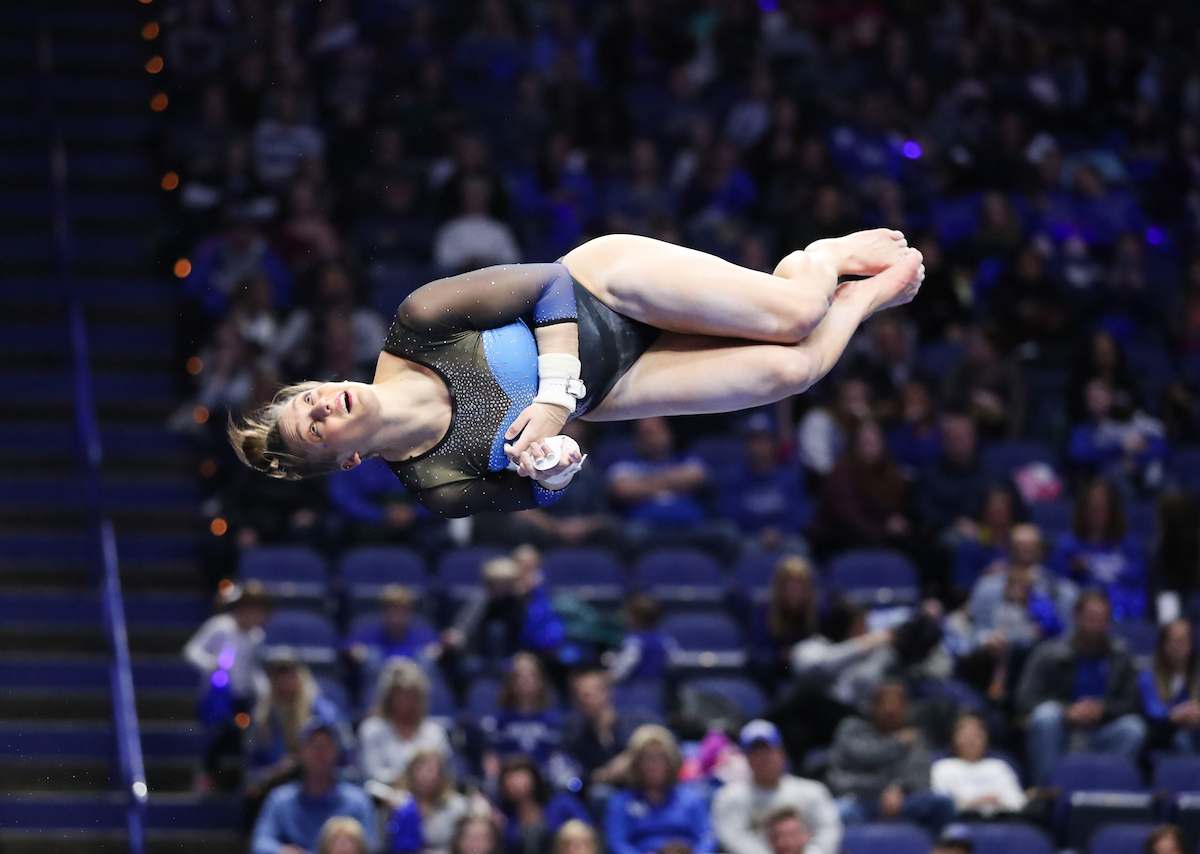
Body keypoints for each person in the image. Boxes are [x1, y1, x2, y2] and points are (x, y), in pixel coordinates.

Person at [228, 230, 925, 520]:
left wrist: (555, 402)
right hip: (613, 385)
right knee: (791, 372)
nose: (320, 403)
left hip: (605, 286)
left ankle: (824, 257)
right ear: (348, 459)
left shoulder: (420, 324)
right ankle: (864, 296)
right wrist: (553, 468)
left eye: (305, 396)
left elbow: (551, 286)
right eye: (314, 425)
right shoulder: (438, 486)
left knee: (798, 311)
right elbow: (545, 494)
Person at [1016, 590, 1147, 784]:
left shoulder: (1121, 655)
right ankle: (1047, 790)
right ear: (1075, 617)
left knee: (1133, 728)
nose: (1095, 625)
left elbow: (1133, 702)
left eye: (1101, 618)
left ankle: (1109, 787)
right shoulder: (1048, 653)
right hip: (1061, 729)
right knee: (1046, 716)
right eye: (1090, 618)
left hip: (1102, 729)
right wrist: (1066, 710)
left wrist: (1103, 709)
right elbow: (1024, 699)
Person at [826, 682, 955, 835]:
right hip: (858, 800)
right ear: (872, 706)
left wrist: (898, 787)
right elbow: (864, 757)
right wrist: (897, 743)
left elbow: (920, 776)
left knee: (941, 803)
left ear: (907, 708)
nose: (891, 709)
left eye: (897, 703)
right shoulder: (853, 729)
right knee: (837, 812)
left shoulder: (914, 736)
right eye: (884, 703)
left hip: (902, 802)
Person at [184, 581, 271, 785]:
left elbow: (254, 668)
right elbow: (191, 651)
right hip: (218, 695)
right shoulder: (220, 627)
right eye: (254, 610)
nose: (258, 617)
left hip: (243, 697)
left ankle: (241, 779)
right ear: (244, 608)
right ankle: (205, 773)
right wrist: (210, 664)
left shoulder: (257, 636)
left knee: (244, 731)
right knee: (226, 730)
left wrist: (264, 689)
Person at [711, 720, 842, 854]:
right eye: (754, 752)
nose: (762, 757)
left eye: (767, 750)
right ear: (746, 758)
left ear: (781, 752)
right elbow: (733, 839)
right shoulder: (729, 797)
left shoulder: (812, 791)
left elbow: (827, 831)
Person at [251, 719, 377, 854]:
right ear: (300, 753)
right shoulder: (280, 799)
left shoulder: (358, 801)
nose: (319, 752)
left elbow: (370, 846)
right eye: (313, 745)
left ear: (336, 753)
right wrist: (283, 851)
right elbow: (260, 845)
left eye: (326, 745)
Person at [245, 648, 347, 798]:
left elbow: (346, 756)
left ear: (301, 675)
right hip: (274, 787)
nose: (285, 680)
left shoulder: (324, 713)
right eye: (279, 675)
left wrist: (306, 762)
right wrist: (273, 772)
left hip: (322, 783)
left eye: (290, 673)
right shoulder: (262, 717)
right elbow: (251, 768)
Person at [604, 724, 716, 854]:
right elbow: (617, 843)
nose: (653, 765)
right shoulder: (621, 803)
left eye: (660, 757)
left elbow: (707, 839)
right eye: (647, 758)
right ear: (636, 763)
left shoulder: (692, 799)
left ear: (670, 761)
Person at [1049, 478, 1147, 620]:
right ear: (1084, 510)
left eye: (1102, 508)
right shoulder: (1067, 545)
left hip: (1120, 611)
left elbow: (1138, 582)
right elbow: (1057, 585)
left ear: (1112, 510)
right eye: (1092, 508)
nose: (1097, 513)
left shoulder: (1128, 545)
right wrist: (1075, 570)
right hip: (1078, 614)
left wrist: (1099, 567)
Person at [358, 658, 452, 792]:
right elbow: (372, 773)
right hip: (385, 798)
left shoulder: (435, 732)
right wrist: (412, 780)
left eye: (413, 694)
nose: (408, 701)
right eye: (402, 694)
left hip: (430, 799)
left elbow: (443, 774)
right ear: (390, 696)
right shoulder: (372, 729)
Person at [563, 669, 652, 791]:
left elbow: (664, 742)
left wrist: (632, 757)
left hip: (639, 787)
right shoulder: (575, 735)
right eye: (579, 696)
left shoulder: (638, 722)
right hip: (600, 792)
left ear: (607, 693)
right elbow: (572, 775)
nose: (583, 700)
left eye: (588, 694)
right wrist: (604, 775)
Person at [482, 653, 565, 775]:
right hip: (509, 779)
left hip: (543, 780)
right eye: (519, 677)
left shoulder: (552, 720)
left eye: (531, 676)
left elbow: (556, 757)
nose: (525, 681)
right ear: (510, 683)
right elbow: (491, 755)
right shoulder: (501, 720)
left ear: (540, 681)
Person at [930, 715, 1026, 817]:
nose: (971, 741)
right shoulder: (943, 768)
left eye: (976, 735)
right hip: (962, 820)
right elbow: (941, 805)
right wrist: (977, 802)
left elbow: (1018, 803)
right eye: (965, 736)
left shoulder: (998, 767)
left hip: (1002, 820)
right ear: (954, 739)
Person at [748, 556, 820, 690]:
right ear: (780, 586)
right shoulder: (763, 611)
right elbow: (758, 653)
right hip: (776, 672)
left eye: (800, 584)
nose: (795, 589)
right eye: (790, 584)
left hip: (808, 672)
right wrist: (784, 655)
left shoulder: (819, 612)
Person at [347, 586, 439, 691]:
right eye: (392, 612)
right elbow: (346, 645)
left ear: (409, 614)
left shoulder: (425, 637)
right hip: (378, 694)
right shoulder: (366, 635)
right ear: (384, 613)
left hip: (415, 694)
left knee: (426, 659)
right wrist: (355, 652)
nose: (396, 617)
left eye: (401, 612)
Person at [386, 749, 476, 854]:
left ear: (442, 775)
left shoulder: (458, 807)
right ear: (410, 772)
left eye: (430, 770)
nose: (424, 775)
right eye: (419, 769)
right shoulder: (399, 804)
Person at [496, 755, 592, 854]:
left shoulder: (563, 804)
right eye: (509, 778)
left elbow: (586, 835)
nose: (514, 782)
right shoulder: (504, 818)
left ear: (534, 778)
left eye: (519, 776)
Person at [1138, 620, 1200, 754]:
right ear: (1163, 644)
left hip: (1195, 730)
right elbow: (1152, 710)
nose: (1179, 646)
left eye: (1183, 640)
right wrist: (1176, 714)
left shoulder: (1197, 676)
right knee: (1182, 739)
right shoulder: (1148, 676)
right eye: (1174, 640)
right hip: (1161, 733)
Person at [610, 594, 677, 685]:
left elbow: (626, 664)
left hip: (636, 686)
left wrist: (610, 677)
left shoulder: (634, 641)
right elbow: (674, 661)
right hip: (658, 684)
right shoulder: (665, 638)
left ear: (636, 618)